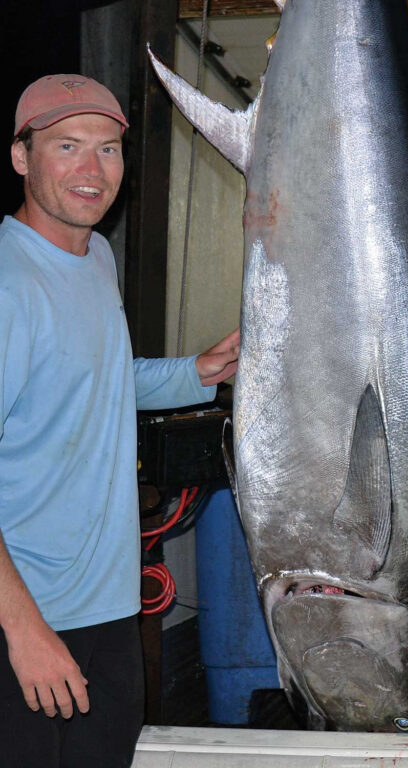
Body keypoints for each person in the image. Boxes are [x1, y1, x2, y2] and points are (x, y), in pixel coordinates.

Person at [0, 74, 239, 767]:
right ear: (20, 157)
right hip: (30, 616)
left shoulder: (95, 256)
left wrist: (195, 372)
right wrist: (25, 633)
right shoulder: (10, 286)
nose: (92, 169)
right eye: (67, 145)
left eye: (108, 149)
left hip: (106, 609)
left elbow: (97, 377)